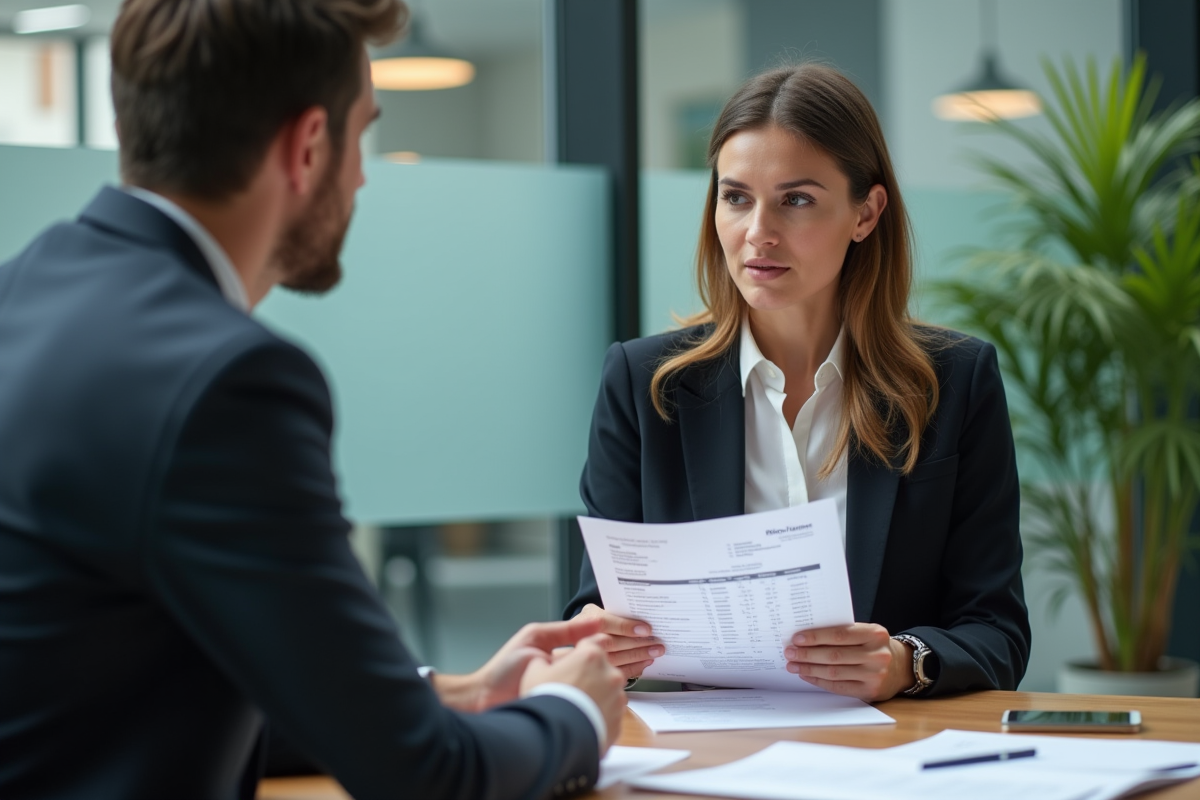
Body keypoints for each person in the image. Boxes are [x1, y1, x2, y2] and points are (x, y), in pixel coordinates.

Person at [0, 1, 626, 798]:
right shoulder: (228, 380)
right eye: (362, 133)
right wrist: (574, 712)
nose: (364, 175)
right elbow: (423, 778)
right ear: (307, 146)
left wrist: (453, 694)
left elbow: (111, 691)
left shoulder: (22, 291)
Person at [565, 64, 1031, 702]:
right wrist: (600, 643)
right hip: (708, 759)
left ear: (865, 213)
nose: (759, 231)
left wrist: (903, 661)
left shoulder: (954, 381)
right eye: (736, 197)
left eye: (797, 199)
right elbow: (592, 614)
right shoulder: (644, 386)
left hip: (889, 759)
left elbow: (996, 629)